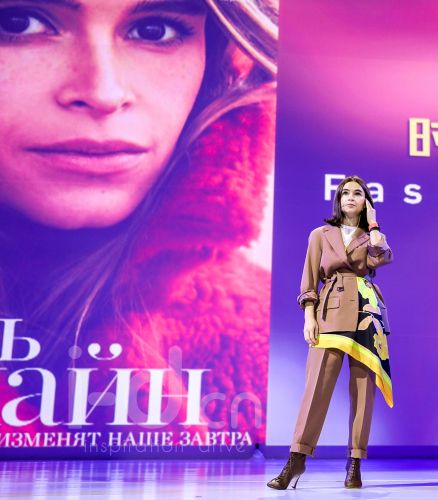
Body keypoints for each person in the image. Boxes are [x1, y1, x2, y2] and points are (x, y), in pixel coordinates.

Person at [0, 0, 277, 445]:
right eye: (19, 23)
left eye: (154, 30)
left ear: (219, 55)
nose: (104, 93)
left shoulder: (284, 349)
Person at [267, 175, 394, 490]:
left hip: (366, 315)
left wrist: (374, 225)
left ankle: (355, 462)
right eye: (345, 193)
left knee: (363, 391)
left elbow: (382, 257)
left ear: (366, 203)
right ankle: (296, 460)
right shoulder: (320, 235)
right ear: (338, 200)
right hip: (330, 312)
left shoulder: (371, 236)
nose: (350, 197)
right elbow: (309, 280)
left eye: (357, 194)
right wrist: (309, 317)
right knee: (316, 390)